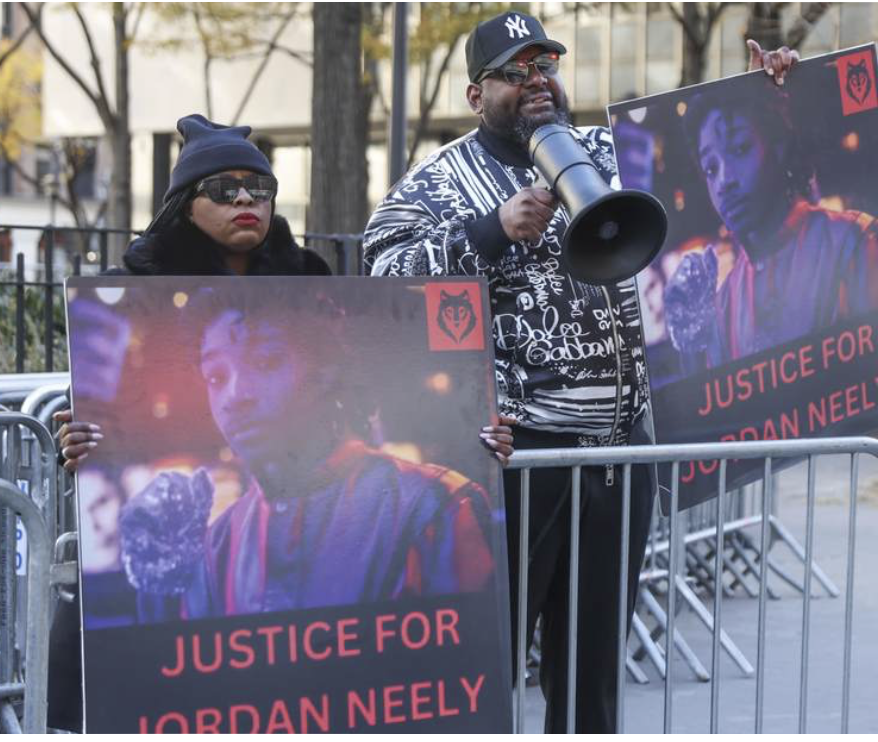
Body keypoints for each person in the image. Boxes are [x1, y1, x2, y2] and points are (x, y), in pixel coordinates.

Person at [363, 11, 797, 732]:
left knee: (592, 671)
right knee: (489, 666)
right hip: (515, 463)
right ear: (476, 95)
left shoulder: (609, 150)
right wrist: (489, 231)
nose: (536, 83)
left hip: (619, 457)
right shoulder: (438, 182)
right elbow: (385, 273)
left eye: (545, 67)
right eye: (514, 72)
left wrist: (766, 93)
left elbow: (701, 171)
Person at [51, 114, 514, 729]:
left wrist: (479, 437)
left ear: (322, 364)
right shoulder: (219, 543)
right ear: (184, 205)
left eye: (259, 188)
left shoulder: (432, 508)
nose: (244, 199)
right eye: (222, 188)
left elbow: (454, 675)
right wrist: (74, 438)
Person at [110, 284, 499, 623]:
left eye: (266, 361)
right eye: (216, 376)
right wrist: (159, 585)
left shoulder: (435, 507)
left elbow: (465, 674)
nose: (235, 396)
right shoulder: (219, 545)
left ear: (327, 370)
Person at [664, 76, 878, 368]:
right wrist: (692, 346)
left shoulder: (854, 241)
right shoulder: (725, 302)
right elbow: (717, 408)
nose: (724, 181)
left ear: (779, 146)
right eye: (710, 168)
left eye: (740, 149)